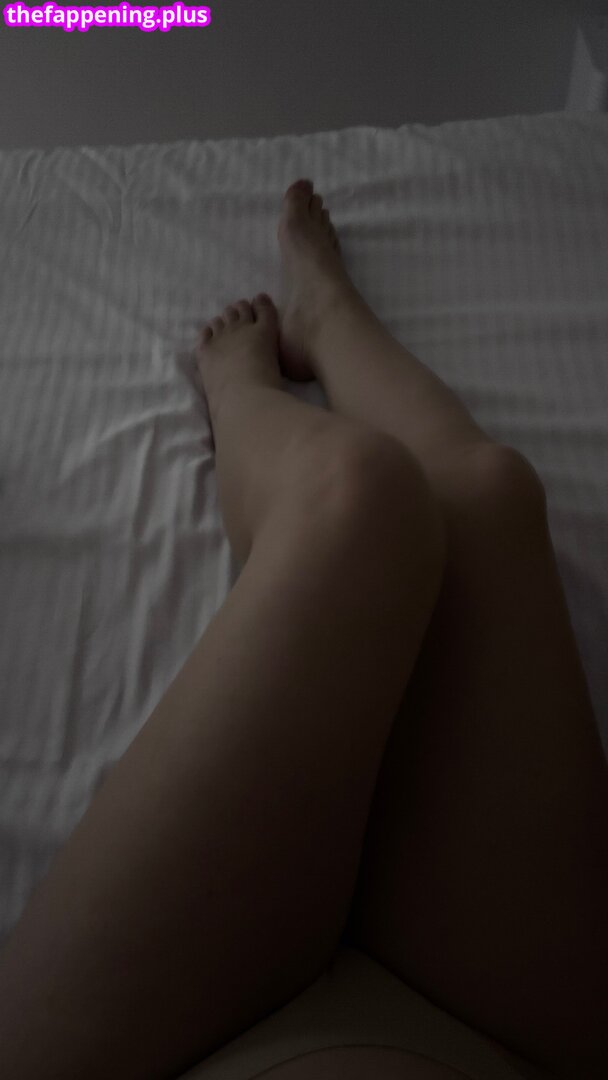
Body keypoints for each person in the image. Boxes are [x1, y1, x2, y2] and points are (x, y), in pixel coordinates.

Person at [0, 179, 606, 1080]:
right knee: (488, 496)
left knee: (354, 498)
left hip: (139, 1054)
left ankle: (249, 389)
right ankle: (322, 320)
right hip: (520, 1045)